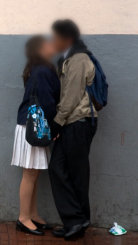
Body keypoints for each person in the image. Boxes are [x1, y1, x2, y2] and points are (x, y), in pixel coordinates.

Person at [48, 19, 97, 240]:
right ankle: (75, 220)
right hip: (71, 123)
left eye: (56, 36)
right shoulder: (69, 58)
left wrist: (56, 122)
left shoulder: (78, 59)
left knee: (77, 173)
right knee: (58, 168)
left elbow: (71, 97)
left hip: (78, 122)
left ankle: (78, 222)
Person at [12, 36, 60, 236]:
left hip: (31, 124)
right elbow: (47, 102)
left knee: (34, 173)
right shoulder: (42, 70)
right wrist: (54, 128)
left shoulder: (37, 68)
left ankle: (32, 214)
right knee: (30, 174)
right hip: (35, 126)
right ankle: (23, 218)